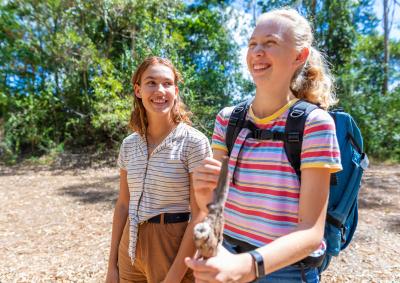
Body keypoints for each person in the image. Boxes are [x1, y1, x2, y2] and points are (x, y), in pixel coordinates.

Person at [185, 8, 342, 283]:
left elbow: (311, 232)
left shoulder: (315, 124)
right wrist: (202, 194)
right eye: (252, 44)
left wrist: (247, 267)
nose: (257, 51)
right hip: (227, 255)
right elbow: (214, 205)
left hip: (288, 272)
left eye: (270, 43)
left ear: (299, 56)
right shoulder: (228, 119)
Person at [106, 56, 211, 283]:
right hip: (130, 245)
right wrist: (112, 266)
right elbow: (123, 204)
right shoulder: (129, 145)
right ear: (138, 90)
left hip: (172, 244)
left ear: (176, 90)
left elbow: (201, 213)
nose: (159, 90)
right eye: (151, 83)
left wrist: (174, 277)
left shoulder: (193, 142)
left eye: (167, 83)